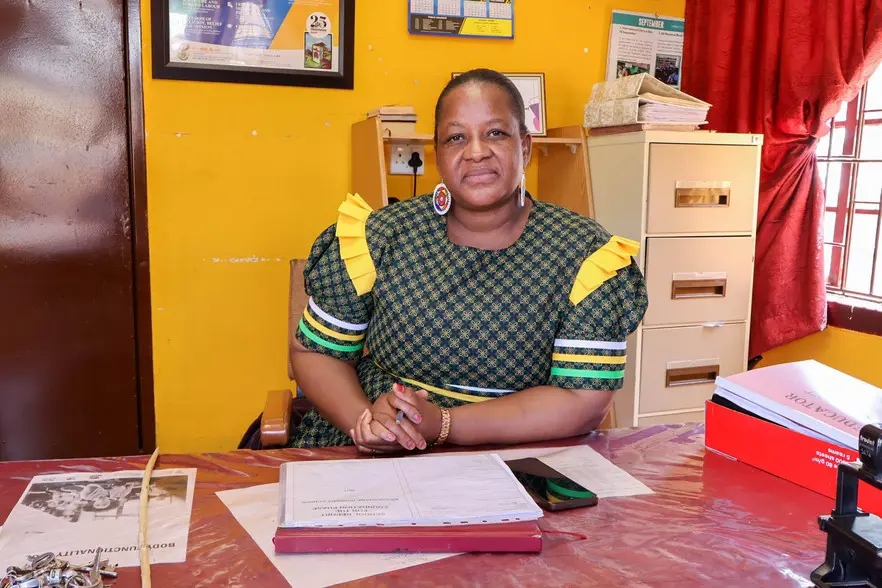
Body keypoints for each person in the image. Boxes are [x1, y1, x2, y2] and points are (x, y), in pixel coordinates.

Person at [288, 68, 647, 453]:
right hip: (375, 453)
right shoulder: (380, 237)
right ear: (438, 155)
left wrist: (443, 424)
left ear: (524, 147)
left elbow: (584, 400)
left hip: (519, 459)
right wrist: (368, 423)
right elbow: (314, 353)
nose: (476, 151)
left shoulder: (583, 255)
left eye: (495, 133)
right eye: (456, 137)